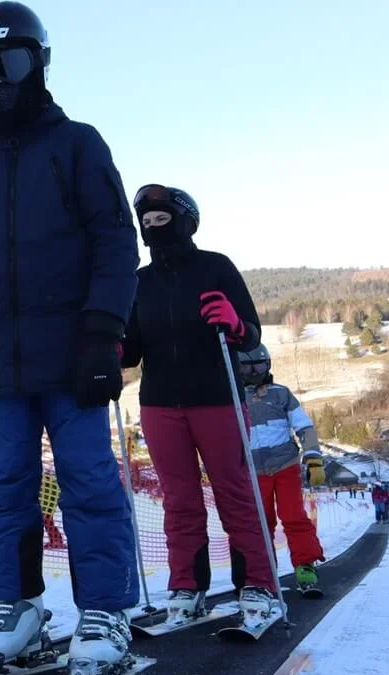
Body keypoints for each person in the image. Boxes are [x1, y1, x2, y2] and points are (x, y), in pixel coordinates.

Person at [0, 3, 141, 670]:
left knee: (89, 480)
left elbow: (114, 241)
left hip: (74, 358)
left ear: (38, 63)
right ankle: (17, 603)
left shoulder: (77, 144)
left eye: (11, 63)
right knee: (5, 485)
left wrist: (104, 336)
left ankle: (103, 607)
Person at [119, 184, 278, 629]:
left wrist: (234, 323)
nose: (153, 228)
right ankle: (187, 586)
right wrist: (110, 349)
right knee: (180, 500)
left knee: (235, 491)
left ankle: (259, 583)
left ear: (187, 221)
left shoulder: (216, 267)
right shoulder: (138, 281)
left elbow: (251, 334)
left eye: (162, 219)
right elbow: (131, 350)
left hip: (216, 397)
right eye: (146, 222)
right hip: (159, 404)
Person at [238, 344, 327, 594]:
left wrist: (313, 458)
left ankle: (305, 565)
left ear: (268, 365)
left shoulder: (281, 394)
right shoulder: (234, 396)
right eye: (247, 366)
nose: (254, 371)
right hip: (253, 471)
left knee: (293, 516)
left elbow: (304, 427)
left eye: (259, 365)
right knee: (260, 522)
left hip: (285, 466)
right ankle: (263, 573)